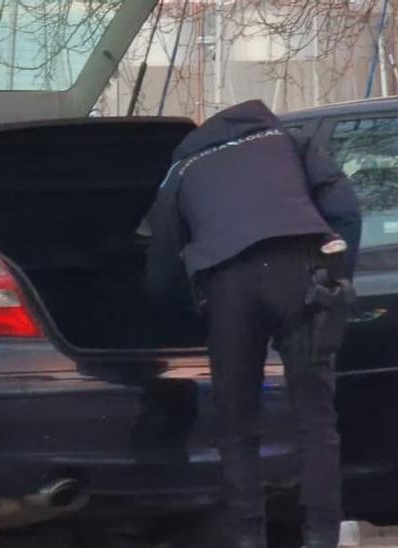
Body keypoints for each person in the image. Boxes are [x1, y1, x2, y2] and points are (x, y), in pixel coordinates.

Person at [143, 100, 362, 548]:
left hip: (228, 285)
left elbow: (162, 261)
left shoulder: (183, 168)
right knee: (315, 417)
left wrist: (173, 314)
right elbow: (346, 209)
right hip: (299, 270)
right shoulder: (290, 142)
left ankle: (248, 536)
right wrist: (338, 277)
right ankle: (321, 535)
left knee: (237, 424)